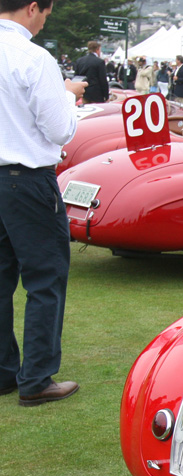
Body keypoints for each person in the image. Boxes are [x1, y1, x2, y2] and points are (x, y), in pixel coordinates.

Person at [1, 0, 86, 406]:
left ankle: (3, 372)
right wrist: (68, 96)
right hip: (27, 178)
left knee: (0, 280)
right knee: (46, 278)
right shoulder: (34, 58)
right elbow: (60, 130)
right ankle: (36, 378)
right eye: (46, 13)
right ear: (33, 8)